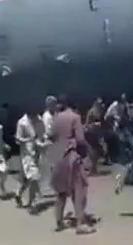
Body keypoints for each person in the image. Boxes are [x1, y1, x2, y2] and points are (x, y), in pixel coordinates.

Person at [49, 95, 95, 234]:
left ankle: (59, 222)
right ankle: (80, 224)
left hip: (57, 154)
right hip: (71, 155)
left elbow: (51, 136)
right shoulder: (75, 117)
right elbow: (80, 139)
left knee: (61, 191)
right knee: (78, 189)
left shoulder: (56, 118)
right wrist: (88, 149)